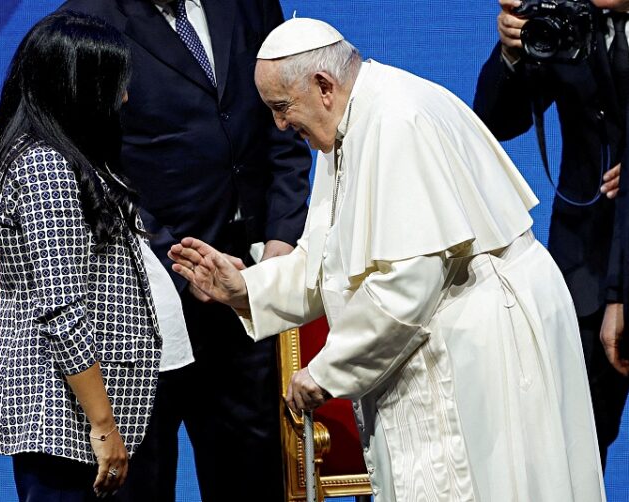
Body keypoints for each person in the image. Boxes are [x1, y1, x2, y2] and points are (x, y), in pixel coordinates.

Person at [170, 17, 606, 502]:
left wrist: (325, 371)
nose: (279, 125)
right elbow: (326, 259)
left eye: (281, 107)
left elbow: (406, 286)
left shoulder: (397, 120)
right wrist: (247, 288)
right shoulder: (349, 124)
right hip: (450, 323)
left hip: (487, 332)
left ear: (323, 86)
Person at [53, 1, 312, 500]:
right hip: (141, 293)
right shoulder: (88, 18)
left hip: (244, 282)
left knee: (253, 473)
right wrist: (182, 264)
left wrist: (281, 239)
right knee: (144, 479)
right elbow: (89, 162)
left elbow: (281, 122)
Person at [0, 12, 171, 500]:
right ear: (77, 88)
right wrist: (103, 427)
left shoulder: (56, 154)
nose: (123, 97)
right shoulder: (44, 165)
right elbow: (62, 306)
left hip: (78, 417)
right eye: (113, 84)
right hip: (66, 420)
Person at [474, 0, 629, 466]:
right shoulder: (565, 18)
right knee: (577, 440)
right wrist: (513, 52)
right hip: (586, 261)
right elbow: (497, 120)